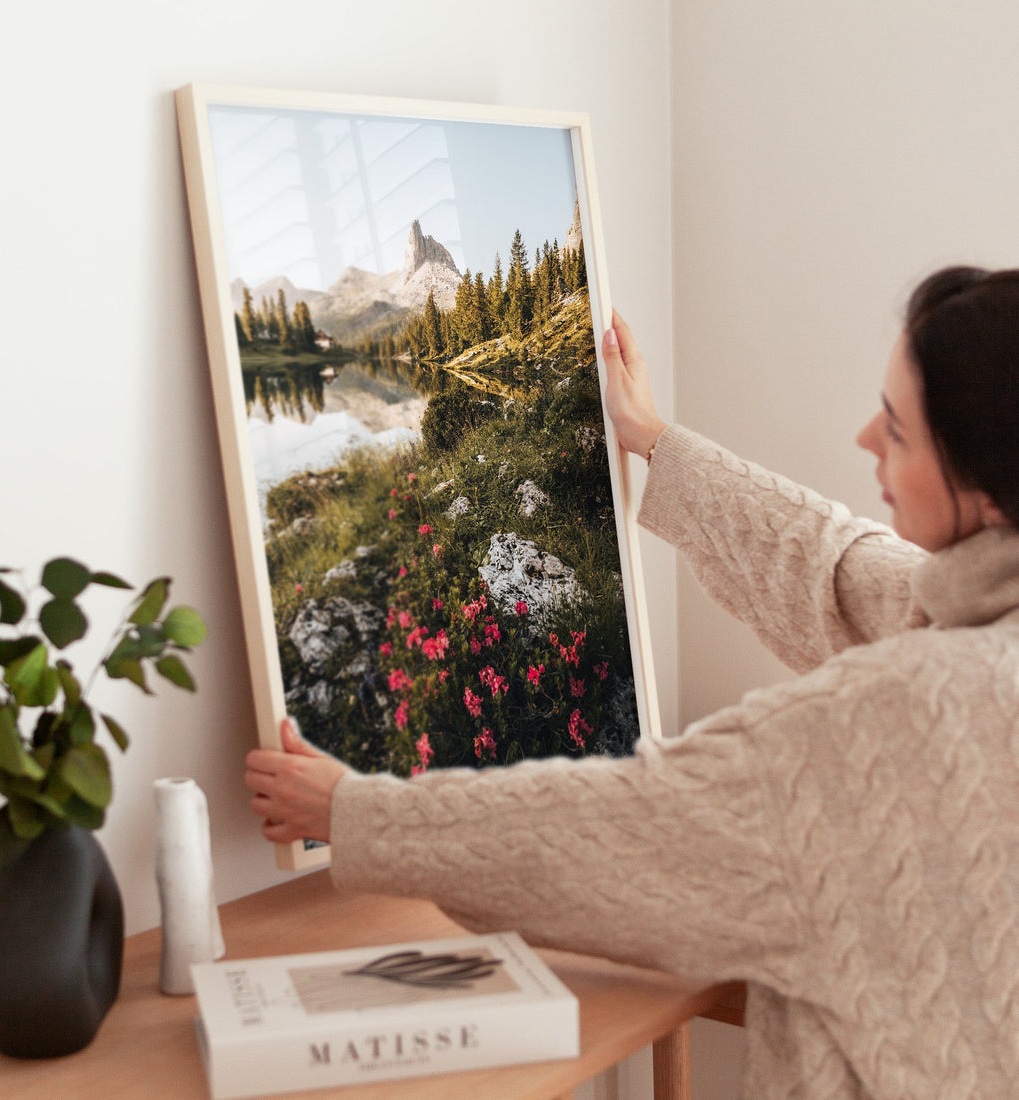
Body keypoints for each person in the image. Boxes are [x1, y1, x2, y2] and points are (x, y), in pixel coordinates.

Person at [245, 266, 1019, 1099]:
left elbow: (625, 828)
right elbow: (837, 569)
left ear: (984, 487)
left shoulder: (901, 715)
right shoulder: (981, 620)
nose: (867, 437)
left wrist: (353, 813)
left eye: (899, 431)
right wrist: (653, 439)